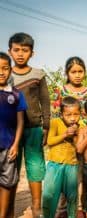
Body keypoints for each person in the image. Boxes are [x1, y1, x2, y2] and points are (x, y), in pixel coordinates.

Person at [8, 32, 50, 217]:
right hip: (10, 130)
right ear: (10, 52)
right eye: (16, 50)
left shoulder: (38, 74)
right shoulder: (5, 75)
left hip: (33, 127)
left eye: (25, 50)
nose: (20, 54)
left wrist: (46, 125)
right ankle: (7, 207)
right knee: (11, 168)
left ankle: (36, 207)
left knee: (35, 167)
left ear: (32, 53)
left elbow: (45, 101)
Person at [51, 56, 87, 218]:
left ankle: (78, 209)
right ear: (67, 73)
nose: (77, 74)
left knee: (79, 177)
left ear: (85, 72)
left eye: (80, 71)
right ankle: (62, 210)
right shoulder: (60, 91)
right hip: (64, 141)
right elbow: (55, 116)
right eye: (73, 71)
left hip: (81, 141)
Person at [42, 96, 80, 218]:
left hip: (72, 165)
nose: (73, 118)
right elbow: (50, 141)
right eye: (68, 115)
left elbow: (79, 147)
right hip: (54, 165)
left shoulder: (80, 126)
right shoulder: (55, 122)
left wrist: (75, 135)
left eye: (76, 114)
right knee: (49, 194)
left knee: (72, 196)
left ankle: (72, 216)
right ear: (62, 114)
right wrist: (64, 134)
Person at [0, 52, 27, 218]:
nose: (1, 72)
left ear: (10, 70)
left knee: (6, 184)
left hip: (8, 147)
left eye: (5, 68)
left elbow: (21, 122)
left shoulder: (16, 94)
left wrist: (16, 144)